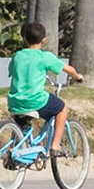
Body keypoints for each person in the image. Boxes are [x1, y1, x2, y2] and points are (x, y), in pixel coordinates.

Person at [9, 20, 84, 156]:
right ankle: (55, 145)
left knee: (21, 122)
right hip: (35, 100)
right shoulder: (44, 57)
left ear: (25, 39)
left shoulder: (17, 56)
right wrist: (77, 76)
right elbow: (69, 69)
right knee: (61, 108)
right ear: (44, 40)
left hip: (15, 101)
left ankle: (12, 148)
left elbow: (11, 72)